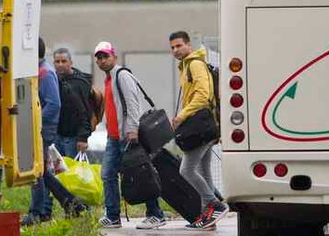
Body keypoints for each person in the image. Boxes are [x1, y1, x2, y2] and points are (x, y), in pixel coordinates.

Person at [94, 41, 166, 230]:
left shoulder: (121, 75)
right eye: (99, 58)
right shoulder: (109, 79)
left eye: (105, 56)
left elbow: (132, 103)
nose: (102, 60)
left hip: (127, 136)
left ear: (114, 57)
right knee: (108, 174)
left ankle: (155, 214)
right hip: (113, 137)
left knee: (140, 174)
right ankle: (112, 216)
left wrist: (132, 130)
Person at [22, 38, 87, 226]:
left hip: (43, 129)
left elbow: (53, 104)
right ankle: (71, 204)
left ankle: (37, 212)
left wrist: (35, 122)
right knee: (42, 171)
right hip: (40, 128)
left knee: (36, 171)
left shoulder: (46, 73)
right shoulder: (39, 71)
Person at [169, 31, 229, 230]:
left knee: (186, 170)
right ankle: (208, 218)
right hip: (205, 125)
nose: (176, 50)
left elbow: (203, 96)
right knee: (204, 170)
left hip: (200, 125)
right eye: (172, 47)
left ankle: (215, 204)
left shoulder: (194, 64)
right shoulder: (187, 65)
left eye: (179, 45)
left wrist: (181, 116)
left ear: (188, 45)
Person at [52, 47, 93, 159]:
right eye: (57, 61)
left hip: (73, 138)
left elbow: (85, 112)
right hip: (56, 136)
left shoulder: (79, 83)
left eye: (64, 61)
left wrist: (82, 138)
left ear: (70, 62)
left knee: (72, 173)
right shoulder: (53, 80)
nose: (60, 64)